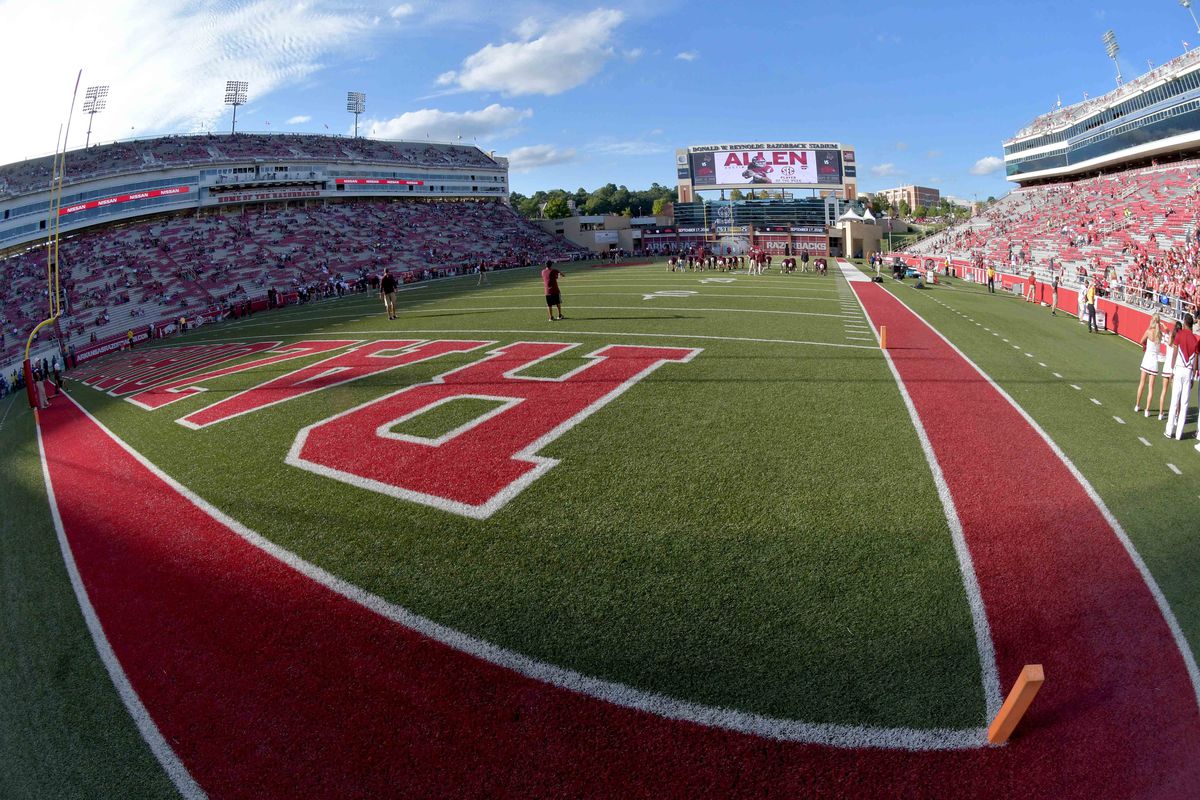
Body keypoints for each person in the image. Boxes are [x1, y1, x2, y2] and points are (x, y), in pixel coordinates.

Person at [1164, 312, 1198, 440]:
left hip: (1178, 369)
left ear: (1184, 322)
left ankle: (1169, 430)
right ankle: (1179, 434)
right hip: (1188, 371)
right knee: (1184, 404)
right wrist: (1193, 376)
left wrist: (1172, 370)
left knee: (1174, 401)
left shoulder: (1180, 334)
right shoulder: (1195, 339)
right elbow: (1195, 360)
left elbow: (1175, 353)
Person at [1135, 311, 1165, 416]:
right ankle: (1147, 410)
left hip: (1147, 359)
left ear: (1152, 320)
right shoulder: (1160, 334)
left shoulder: (1148, 331)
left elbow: (1141, 341)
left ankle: (1137, 405)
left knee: (1142, 384)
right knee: (1151, 387)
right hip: (1154, 362)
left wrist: (1145, 345)